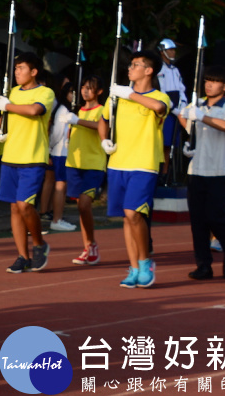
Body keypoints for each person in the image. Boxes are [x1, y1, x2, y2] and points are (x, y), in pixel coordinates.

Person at [99, 50, 171, 288]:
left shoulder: (160, 95)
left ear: (149, 70)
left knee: (134, 213)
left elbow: (159, 107)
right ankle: (132, 267)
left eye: (136, 65)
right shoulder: (117, 97)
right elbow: (103, 119)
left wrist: (128, 93)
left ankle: (145, 262)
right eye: (130, 64)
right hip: (118, 162)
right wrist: (103, 140)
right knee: (126, 219)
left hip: (144, 163)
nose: (130, 68)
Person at [0, 52, 55, 273]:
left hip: (32, 157)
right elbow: (5, 118)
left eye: (21, 68)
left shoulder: (45, 92)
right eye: (16, 68)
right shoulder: (12, 92)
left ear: (34, 71)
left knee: (25, 205)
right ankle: (22, 255)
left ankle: (39, 244)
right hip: (10, 156)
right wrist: (0, 128)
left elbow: (34, 110)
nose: (17, 72)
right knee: (14, 208)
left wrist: (7, 106)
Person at [180, 64, 225, 280]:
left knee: (216, 218)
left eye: (214, 81)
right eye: (207, 80)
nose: (208, 84)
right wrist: (185, 121)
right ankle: (203, 264)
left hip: (220, 171)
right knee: (198, 221)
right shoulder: (197, 107)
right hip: (197, 170)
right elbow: (185, 122)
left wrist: (201, 117)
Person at [65, 76, 106, 265]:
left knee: (84, 204)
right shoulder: (78, 110)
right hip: (74, 163)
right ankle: (88, 247)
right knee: (82, 208)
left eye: (90, 88)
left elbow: (102, 127)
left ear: (99, 92)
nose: (85, 91)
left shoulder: (102, 110)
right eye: (83, 87)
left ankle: (92, 245)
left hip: (93, 164)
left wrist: (78, 121)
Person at [45, 82, 78, 233]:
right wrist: (50, 149)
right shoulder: (63, 110)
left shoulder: (66, 109)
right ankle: (57, 219)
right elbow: (57, 133)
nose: (73, 96)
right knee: (60, 185)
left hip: (61, 152)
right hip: (60, 152)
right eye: (71, 92)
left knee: (60, 185)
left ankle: (57, 217)